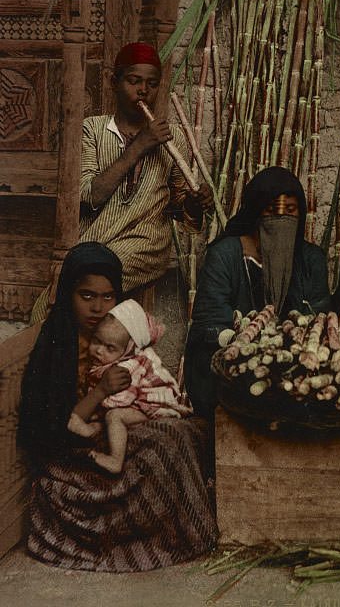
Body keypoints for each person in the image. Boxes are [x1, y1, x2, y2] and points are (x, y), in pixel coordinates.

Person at [18, 242, 218, 571]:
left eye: (108, 297)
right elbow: (51, 429)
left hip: (110, 431)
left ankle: (181, 529)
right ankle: (143, 538)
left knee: (185, 433)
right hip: (75, 453)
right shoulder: (56, 344)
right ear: (69, 293)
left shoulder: (117, 336)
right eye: (87, 296)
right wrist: (100, 392)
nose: (98, 307)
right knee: (163, 450)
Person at [30, 41, 211, 321]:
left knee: (83, 284)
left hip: (145, 245)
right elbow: (91, 196)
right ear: (115, 82)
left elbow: (180, 213)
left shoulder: (170, 135)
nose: (143, 91)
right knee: (45, 306)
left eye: (151, 84)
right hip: (95, 239)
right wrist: (140, 145)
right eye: (134, 81)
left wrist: (195, 203)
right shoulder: (92, 129)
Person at [185, 165, 331, 420]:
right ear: (255, 212)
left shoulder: (310, 259)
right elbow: (209, 321)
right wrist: (247, 346)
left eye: (290, 211)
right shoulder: (226, 255)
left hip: (291, 366)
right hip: (233, 364)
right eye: (272, 211)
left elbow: (319, 316)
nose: (282, 219)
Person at [68, 299, 192, 474]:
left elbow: (116, 401)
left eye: (109, 348)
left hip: (155, 408)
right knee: (112, 415)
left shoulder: (127, 368)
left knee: (114, 416)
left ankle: (115, 461)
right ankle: (92, 431)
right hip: (136, 404)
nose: (99, 350)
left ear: (127, 350)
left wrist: (96, 407)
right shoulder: (106, 362)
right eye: (96, 341)